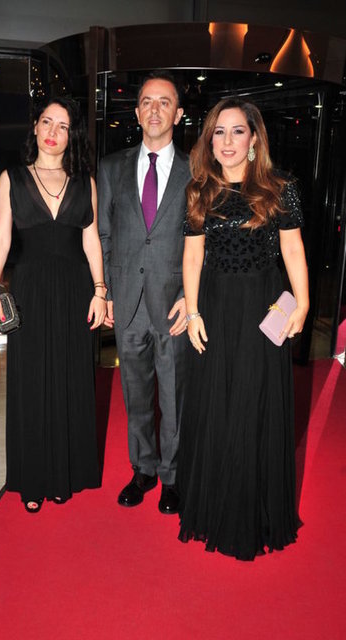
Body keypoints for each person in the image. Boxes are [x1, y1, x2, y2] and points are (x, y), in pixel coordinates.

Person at [177, 98, 309, 560]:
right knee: (215, 403)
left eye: (237, 131)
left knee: (255, 403)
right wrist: (193, 313)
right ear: (209, 141)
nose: (228, 141)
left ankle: (253, 513)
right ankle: (212, 507)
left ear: (254, 139)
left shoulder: (280, 188)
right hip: (214, 307)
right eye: (219, 132)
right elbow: (192, 256)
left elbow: (293, 251)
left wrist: (302, 303)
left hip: (264, 307)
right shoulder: (199, 191)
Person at [0, 97, 106, 513]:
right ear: (35, 127)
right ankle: (33, 479)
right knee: (31, 380)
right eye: (47, 122)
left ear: (71, 135)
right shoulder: (12, 178)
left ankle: (65, 474)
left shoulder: (85, 182)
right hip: (30, 290)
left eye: (63, 126)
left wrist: (100, 291)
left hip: (75, 290)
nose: (54, 132)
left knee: (72, 376)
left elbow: (91, 240)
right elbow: (2, 236)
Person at [98, 71, 190, 515]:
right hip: (127, 301)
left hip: (175, 303)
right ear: (136, 113)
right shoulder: (111, 167)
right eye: (147, 102)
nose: (155, 110)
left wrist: (191, 296)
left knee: (174, 395)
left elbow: (204, 241)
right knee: (135, 394)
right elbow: (104, 233)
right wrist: (105, 290)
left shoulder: (196, 170)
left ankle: (172, 476)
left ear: (179, 113)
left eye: (164, 102)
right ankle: (144, 470)